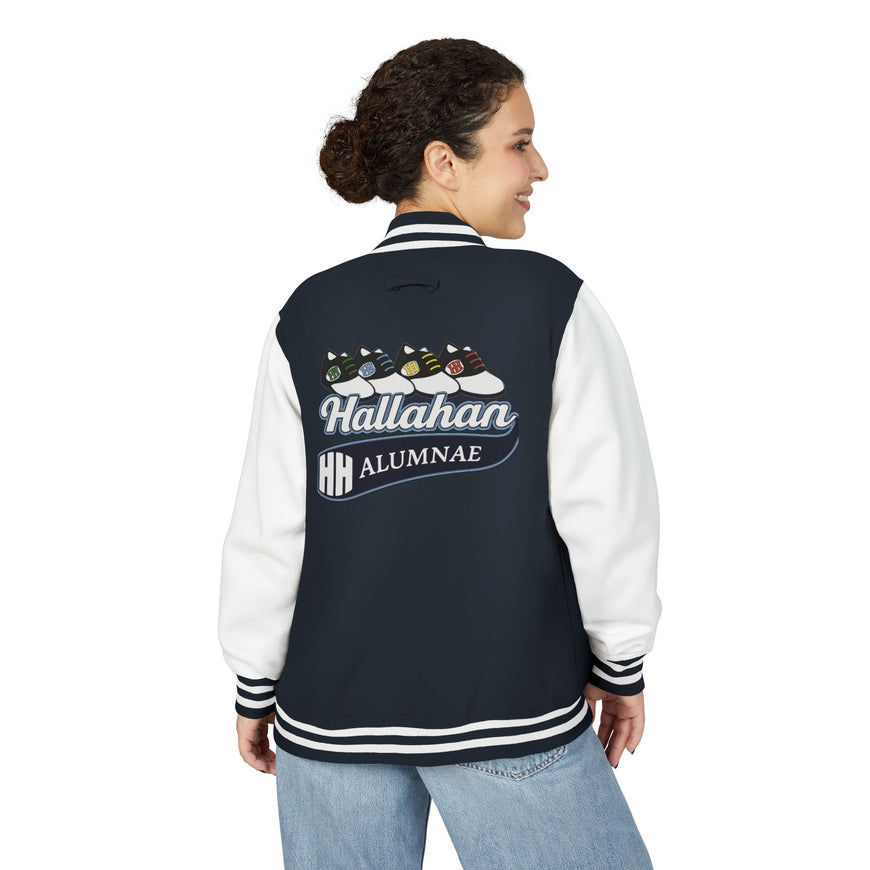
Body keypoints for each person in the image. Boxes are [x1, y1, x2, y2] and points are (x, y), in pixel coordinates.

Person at [218, 37, 662, 870]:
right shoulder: (550, 299)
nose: (540, 168)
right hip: (509, 709)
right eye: (519, 143)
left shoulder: (309, 313)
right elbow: (606, 509)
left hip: (329, 722)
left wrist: (254, 682)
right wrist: (621, 662)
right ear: (443, 162)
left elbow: (270, 527)